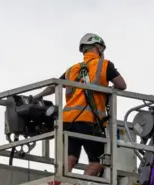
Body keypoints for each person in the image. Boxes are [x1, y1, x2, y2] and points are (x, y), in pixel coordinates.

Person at [34, 33, 127, 177]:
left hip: (67, 120)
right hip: (88, 120)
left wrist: (37, 96)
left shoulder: (72, 69)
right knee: (98, 160)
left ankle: (60, 182)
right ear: (99, 48)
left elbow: (53, 86)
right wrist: (108, 91)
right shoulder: (104, 65)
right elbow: (122, 85)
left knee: (71, 157)